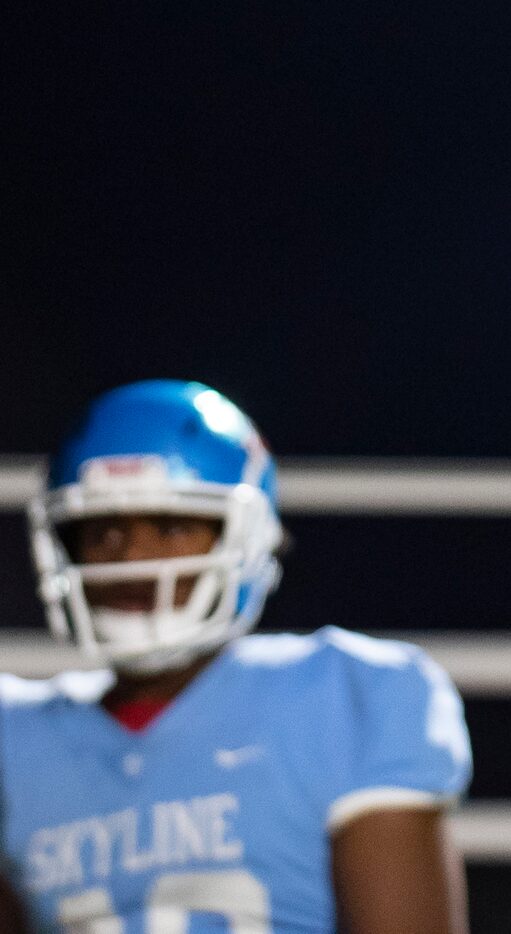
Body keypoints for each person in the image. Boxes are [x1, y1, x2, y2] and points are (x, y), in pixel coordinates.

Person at [1, 380, 471, 934]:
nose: (133, 556)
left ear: (245, 538)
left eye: (172, 526)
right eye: (103, 531)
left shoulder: (347, 697)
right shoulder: (14, 739)